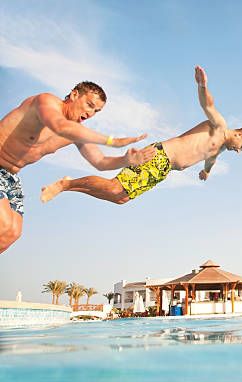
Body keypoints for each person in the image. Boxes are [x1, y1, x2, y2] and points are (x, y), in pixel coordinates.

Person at [40, 66, 242, 205]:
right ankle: (65, 185)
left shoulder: (220, 148)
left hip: (164, 169)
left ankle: (68, 184)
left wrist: (206, 173)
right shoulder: (219, 126)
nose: (238, 150)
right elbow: (208, 104)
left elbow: (210, 161)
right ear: (237, 134)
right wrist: (203, 86)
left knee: (119, 197)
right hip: (159, 156)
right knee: (116, 188)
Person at [0, 81, 155, 254]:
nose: (90, 113)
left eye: (96, 111)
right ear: (74, 95)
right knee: (4, 225)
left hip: (10, 177)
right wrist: (112, 141)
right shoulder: (46, 102)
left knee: (12, 233)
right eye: (89, 105)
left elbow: (100, 161)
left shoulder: (75, 132)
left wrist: (127, 160)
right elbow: (60, 126)